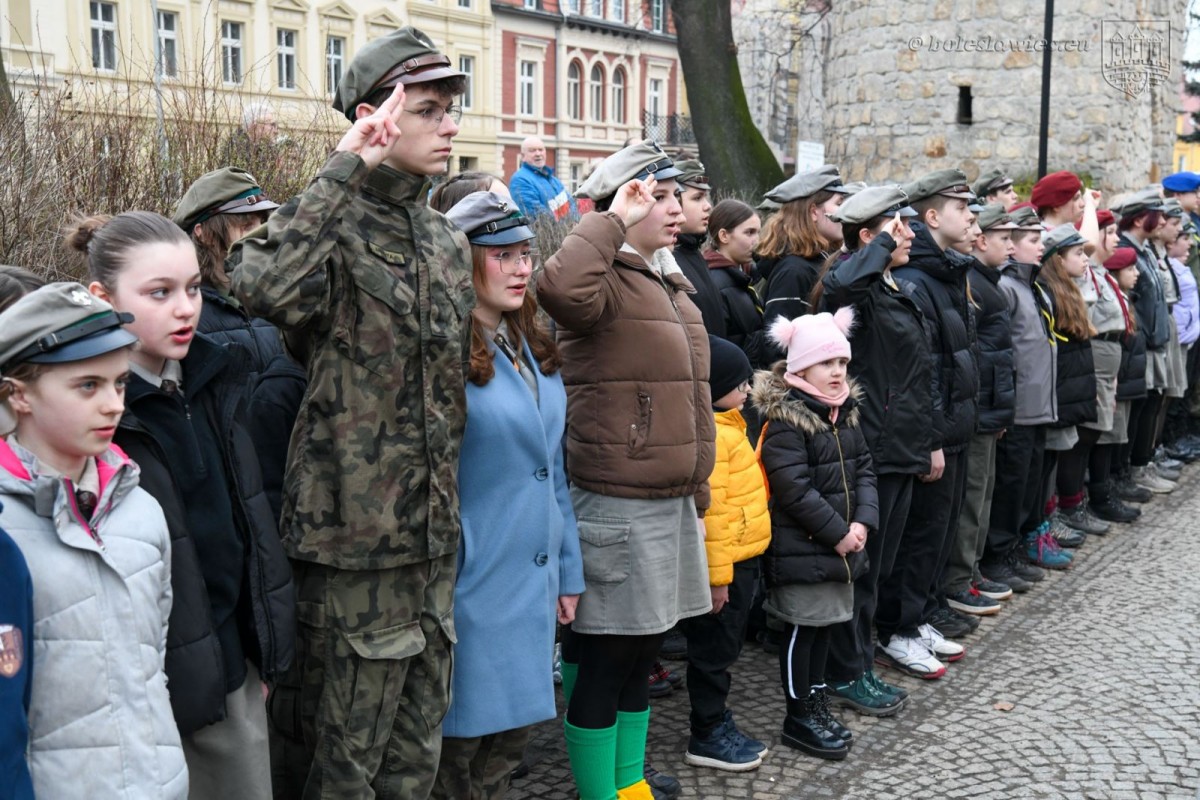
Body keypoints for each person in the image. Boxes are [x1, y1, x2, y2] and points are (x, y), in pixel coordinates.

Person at [228, 27, 473, 797]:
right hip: (351, 552)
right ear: (376, 117)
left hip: (431, 547)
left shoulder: (443, 241)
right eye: (428, 111)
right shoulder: (329, 227)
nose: (449, 127)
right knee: (342, 770)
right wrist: (344, 166)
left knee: (414, 762)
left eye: (450, 110)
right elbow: (259, 285)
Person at [72, 211, 294, 800]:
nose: (185, 308)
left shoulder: (217, 378)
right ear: (102, 298)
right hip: (142, 687)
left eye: (194, 288)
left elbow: (247, 523)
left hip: (229, 671)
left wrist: (259, 650)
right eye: (160, 293)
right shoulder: (90, 419)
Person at [537, 141, 715, 800]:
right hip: (617, 498)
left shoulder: (663, 275)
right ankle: (600, 793)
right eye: (659, 196)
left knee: (640, 652)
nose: (675, 208)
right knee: (611, 655)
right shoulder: (603, 272)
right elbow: (556, 288)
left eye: (676, 196)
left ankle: (627, 780)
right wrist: (607, 218)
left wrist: (697, 480)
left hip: (665, 496)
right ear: (625, 200)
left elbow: (687, 391)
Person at [0, 282, 187, 798]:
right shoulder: (3, 529)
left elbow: (153, 659)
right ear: (19, 394)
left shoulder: (142, 510)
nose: (113, 406)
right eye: (88, 386)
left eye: (120, 384)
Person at [430, 192, 585, 799]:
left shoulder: (533, 350)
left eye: (525, 254)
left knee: (507, 749)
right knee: (456, 756)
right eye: (502, 256)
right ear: (463, 263)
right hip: (470, 586)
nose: (521, 268)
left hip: (531, 585)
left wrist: (569, 572)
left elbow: (555, 475)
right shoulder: (442, 354)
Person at [818, 184, 924, 716]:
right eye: (896, 224)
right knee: (859, 571)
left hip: (901, 445)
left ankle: (860, 662)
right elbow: (840, 284)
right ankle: (846, 673)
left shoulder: (893, 285)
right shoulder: (855, 283)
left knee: (878, 571)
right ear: (868, 236)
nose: (909, 231)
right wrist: (877, 245)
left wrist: (927, 443)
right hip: (872, 447)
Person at [753, 308, 876, 761]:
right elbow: (793, 490)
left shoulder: (842, 413)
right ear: (800, 368)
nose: (838, 372)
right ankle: (798, 715)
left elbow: (864, 468)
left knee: (825, 631)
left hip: (841, 547)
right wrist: (839, 533)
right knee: (803, 633)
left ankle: (818, 703)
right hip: (805, 551)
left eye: (842, 364)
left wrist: (863, 521)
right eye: (827, 364)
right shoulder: (789, 421)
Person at [875, 169, 977, 678]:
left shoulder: (945, 271)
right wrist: (933, 439)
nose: (972, 216)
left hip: (954, 428)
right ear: (932, 216)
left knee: (937, 532)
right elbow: (925, 370)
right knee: (917, 537)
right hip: (933, 434)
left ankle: (917, 619)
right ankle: (899, 628)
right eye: (962, 208)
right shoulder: (917, 278)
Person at [678, 335, 770, 772]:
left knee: (725, 649)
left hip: (741, 561)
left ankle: (715, 721)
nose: (748, 390)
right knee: (713, 653)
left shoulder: (731, 426)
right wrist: (717, 580)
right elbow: (711, 519)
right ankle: (707, 730)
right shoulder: (715, 436)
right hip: (725, 570)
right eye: (740, 383)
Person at [978, 204, 1057, 592]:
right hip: (1020, 406)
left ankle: (1012, 549)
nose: (1039, 246)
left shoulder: (1029, 284)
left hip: (1037, 404)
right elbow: (1003, 352)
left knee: (1026, 484)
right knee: (1009, 486)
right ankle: (998, 554)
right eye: (1032, 240)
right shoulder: (1008, 287)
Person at [943, 204, 1017, 618]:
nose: (1009, 245)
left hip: (990, 408)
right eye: (1003, 238)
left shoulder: (987, 282)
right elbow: (975, 357)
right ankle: (958, 579)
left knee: (982, 494)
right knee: (971, 499)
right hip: (977, 409)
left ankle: (969, 571)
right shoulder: (973, 282)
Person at [172, 167, 283, 372]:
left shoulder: (276, 296)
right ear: (204, 234)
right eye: (247, 226)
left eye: (262, 223)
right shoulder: (185, 313)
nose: (261, 235)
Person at [1034, 224, 1097, 562]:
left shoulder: (1067, 288)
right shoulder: (1049, 290)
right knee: (1047, 464)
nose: (1086, 260)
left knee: (1055, 459)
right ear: (1057, 259)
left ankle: (1051, 517)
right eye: (1078, 254)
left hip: (1069, 393)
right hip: (1057, 396)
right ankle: (1044, 523)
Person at [757, 166, 853, 335]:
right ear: (814, 211)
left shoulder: (820, 260)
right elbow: (779, 350)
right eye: (839, 203)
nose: (845, 211)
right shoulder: (793, 272)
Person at [1088, 247, 1147, 521]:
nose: (1136, 274)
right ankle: (1098, 495)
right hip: (1107, 365)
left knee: (1116, 432)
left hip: (1119, 366)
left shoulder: (1112, 285)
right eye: (1130, 269)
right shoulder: (1099, 281)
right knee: (1104, 433)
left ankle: (1109, 486)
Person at [705, 199, 768, 368]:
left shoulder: (744, 277)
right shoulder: (715, 282)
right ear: (724, 235)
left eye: (758, 232)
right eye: (749, 233)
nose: (757, 240)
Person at [671, 160, 725, 338]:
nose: (708, 205)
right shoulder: (670, 260)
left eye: (706, 196)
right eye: (697, 198)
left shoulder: (693, 252)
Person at [510, 136, 578, 221]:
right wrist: (566, 227)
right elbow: (537, 215)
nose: (538, 154)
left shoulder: (554, 180)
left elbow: (571, 204)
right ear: (523, 156)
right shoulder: (520, 180)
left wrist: (575, 223)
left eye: (541, 150)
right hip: (547, 233)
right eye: (532, 150)